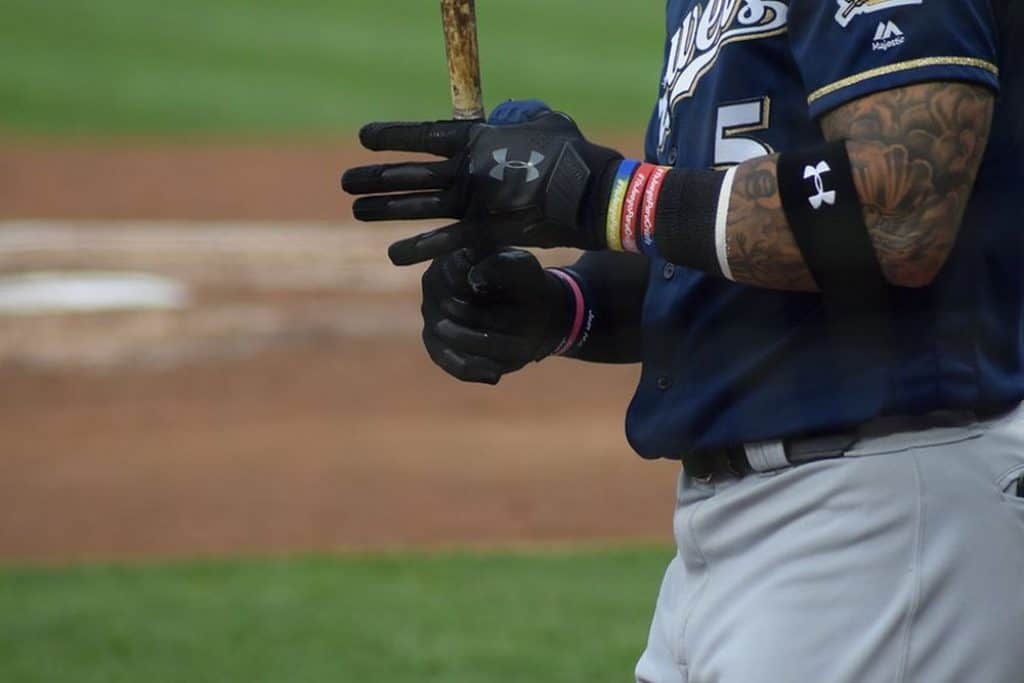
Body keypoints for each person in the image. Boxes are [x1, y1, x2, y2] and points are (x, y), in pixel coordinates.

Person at [344, 1, 1024, 680]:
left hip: (876, 519)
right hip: (743, 535)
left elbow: (898, 214)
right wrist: (561, 308)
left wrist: (601, 195)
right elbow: (714, 254)